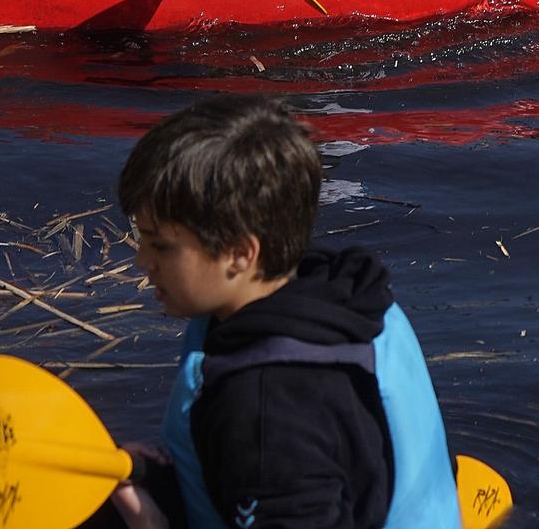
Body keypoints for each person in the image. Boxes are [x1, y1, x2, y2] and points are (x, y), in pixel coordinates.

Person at [95, 95, 459, 529]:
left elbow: (283, 449)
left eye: (160, 245)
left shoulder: (268, 411)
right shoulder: (342, 298)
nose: (142, 261)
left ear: (239, 254)